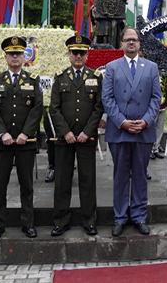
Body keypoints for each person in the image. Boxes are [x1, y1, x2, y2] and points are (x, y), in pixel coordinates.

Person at [101, 27, 161, 237]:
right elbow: (107, 99)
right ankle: (119, 217)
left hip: (143, 131)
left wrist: (145, 121)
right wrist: (122, 122)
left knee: (140, 176)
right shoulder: (112, 67)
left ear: (139, 43)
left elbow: (156, 98)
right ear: (121, 44)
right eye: (127, 40)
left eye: (134, 40)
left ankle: (139, 216)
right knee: (120, 175)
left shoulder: (151, 68)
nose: (131, 43)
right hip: (120, 131)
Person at [0, 36, 43, 240]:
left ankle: (27, 223)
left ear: (23, 57)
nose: (15, 57)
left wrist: (25, 134)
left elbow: (37, 110)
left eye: (18, 53)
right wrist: (3, 133)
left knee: (26, 185)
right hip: (2, 142)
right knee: (0, 185)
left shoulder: (32, 81)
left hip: (24, 142)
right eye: (11, 54)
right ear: (6, 57)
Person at [49, 35, 104, 236]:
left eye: (82, 52)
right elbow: (54, 109)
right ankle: (61, 220)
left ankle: (89, 220)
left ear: (87, 55)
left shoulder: (96, 77)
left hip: (86, 139)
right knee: (62, 180)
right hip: (66, 139)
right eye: (75, 52)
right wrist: (66, 132)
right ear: (69, 54)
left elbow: (98, 107)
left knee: (87, 181)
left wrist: (86, 132)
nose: (78, 56)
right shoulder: (60, 78)